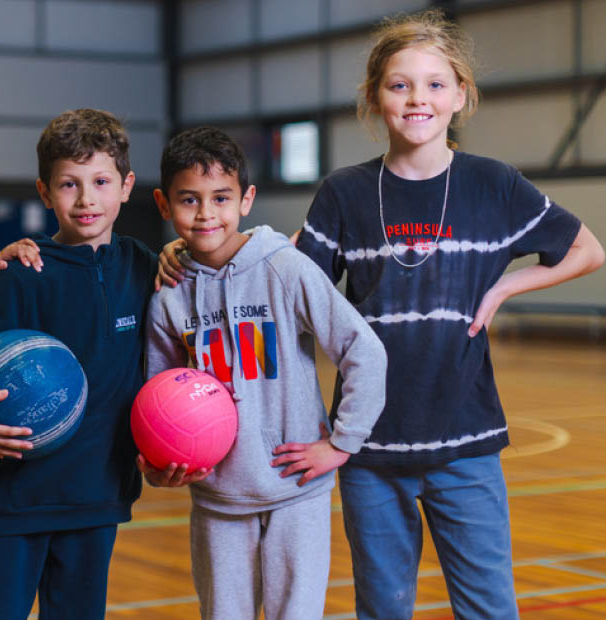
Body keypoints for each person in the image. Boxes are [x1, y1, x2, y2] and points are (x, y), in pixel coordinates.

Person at [293, 10, 605, 620]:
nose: (418, 99)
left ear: (461, 94)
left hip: (466, 444)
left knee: (489, 608)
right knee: (383, 608)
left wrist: (508, 286)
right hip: (368, 447)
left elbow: (587, 249)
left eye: (436, 84)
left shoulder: (493, 185)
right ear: (375, 96)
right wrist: (200, 249)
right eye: (399, 84)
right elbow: (294, 290)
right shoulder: (344, 192)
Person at [0, 108, 158, 620]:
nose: (87, 199)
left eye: (101, 181)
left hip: (96, 500)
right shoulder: (22, 273)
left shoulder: (143, 267)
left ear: (127, 186)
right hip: (11, 502)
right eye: (69, 184)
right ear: (44, 193)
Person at [144, 126, 387, 620]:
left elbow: (363, 349)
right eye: (189, 199)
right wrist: (154, 460)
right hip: (216, 497)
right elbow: (155, 396)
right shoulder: (168, 295)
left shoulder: (285, 269)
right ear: (164, 204)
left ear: (247, 199)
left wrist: (342, 443)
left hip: (297, 489)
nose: (207, 213)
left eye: (221, 198)